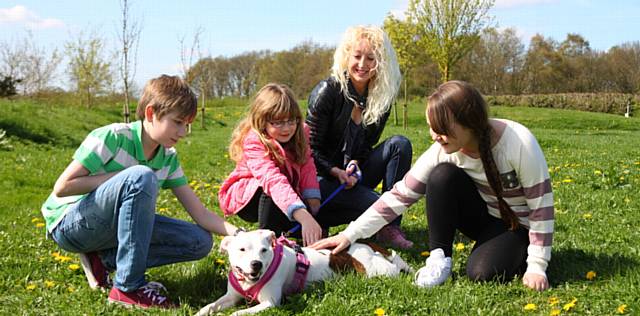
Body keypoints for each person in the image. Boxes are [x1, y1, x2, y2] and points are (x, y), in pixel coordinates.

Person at [312, 80, 554, 291]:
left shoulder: (518, 143)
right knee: (441, 176)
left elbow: (541, 208)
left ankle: (519, 250)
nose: (434, 135)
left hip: (519, 225)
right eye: (431, 126)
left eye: (442, 129)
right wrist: (349, 234)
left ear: (469, 122)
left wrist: (537, 266)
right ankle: (439, 258)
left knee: (482, 274)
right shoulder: (443, 150)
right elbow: (400, 195)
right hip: (484, 219)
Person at [41, 75, 241, 309]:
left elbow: (200, 214)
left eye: (186, 124)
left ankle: (104, 259)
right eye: (177, 122)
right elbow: (63, 187)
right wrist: (127, 176)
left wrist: (240, 234)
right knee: (141, 176)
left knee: (199, 242)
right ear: (150, 113)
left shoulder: (167, 158)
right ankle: (127, 288)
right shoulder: (112, 137)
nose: (183, 132)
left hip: (110, 230)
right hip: (70, 224)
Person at [305, 25, 413, 249]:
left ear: (381, 62)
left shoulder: (381, 98)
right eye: (357, 56)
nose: (362, 65)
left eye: (371, 58)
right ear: (346, 56)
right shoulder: (328, 91)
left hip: (352, 175)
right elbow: (308, 149)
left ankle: (389, 227)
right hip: (322, 179)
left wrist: (356, 162)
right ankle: (320, 218)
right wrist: (336, 171)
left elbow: (367, 145)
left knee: (399, 145)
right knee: (378, 205)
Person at [218, 83, 323, 246]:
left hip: (285, 192)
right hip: (251, 198)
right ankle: (267, 243)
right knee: (273, 192)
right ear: (262, 122)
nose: (287, 128)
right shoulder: (254, 140)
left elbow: (307, 164)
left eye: (291, 120)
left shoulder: (301, 132)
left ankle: (305, 239)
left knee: (308, 205)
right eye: (278, 122)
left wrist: (313, 199)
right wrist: (303, 215)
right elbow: (272, 181)